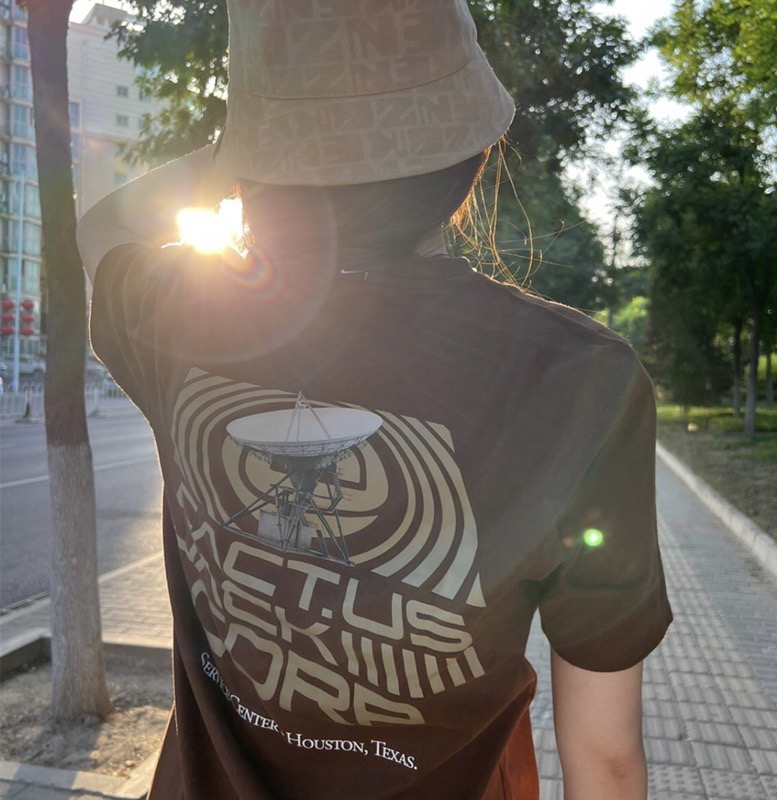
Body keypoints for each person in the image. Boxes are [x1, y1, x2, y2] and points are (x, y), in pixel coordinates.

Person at [77, 1, 673, 798]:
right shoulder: (578, 381)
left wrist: (246, 141)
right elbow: (605, 757)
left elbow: (102, 228)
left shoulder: (184, 309)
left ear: (257, 164)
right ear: (469, 159)